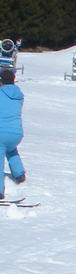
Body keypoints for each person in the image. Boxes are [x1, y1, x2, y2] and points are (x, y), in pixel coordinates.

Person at [0, 67, 26, 200]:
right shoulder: (19, 95)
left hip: (1, 132)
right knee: (10, 150)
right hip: (16, 133)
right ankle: (19, 173)